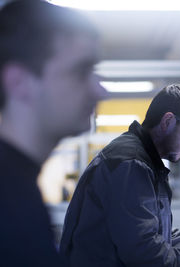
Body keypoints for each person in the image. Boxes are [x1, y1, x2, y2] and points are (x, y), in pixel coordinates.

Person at [60, 84, 180, 267]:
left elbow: (161, 236)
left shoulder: (147, 163)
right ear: (168, 121)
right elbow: (143, 252)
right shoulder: (130, 164)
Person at [0, 1, 106, 266]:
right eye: (81, 71)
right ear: (19, 82)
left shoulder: (20, 186)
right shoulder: (8, 201)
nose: (101, 91)